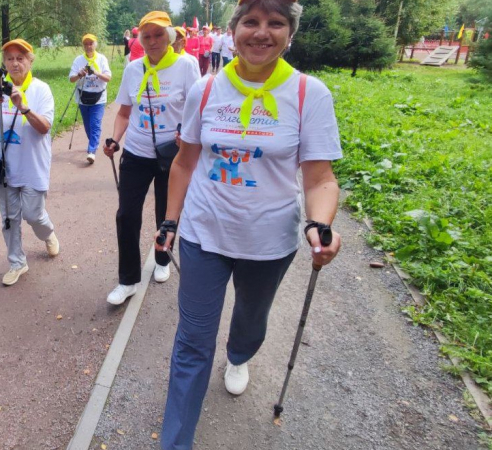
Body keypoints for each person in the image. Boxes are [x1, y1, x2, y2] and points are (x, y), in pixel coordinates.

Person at [158, 0, 343, 447]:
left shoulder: (309, 93)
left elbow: (320, 178)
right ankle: (175, 441)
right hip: (204, 233)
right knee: (192, 341)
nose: (262, 32)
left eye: (275, 23)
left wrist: (320, 225)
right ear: (234, 30)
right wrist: (170, 221)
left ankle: (239, 355)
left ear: (289, 34)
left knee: (250, 319)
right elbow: (184, 163)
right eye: (251, 21)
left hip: (269, 240)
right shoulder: (206, 89)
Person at [103, 11, 200, 305]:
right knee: (126, 215)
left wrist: (187, 135)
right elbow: (124, 113)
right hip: (136, 151)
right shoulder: (134, 69)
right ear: (140, 40)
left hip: (173, 156)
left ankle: (162, 259)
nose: (153, 40)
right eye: (147, 36)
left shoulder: (186, 65)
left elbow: (196, 110)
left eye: (159, 34)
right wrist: (115, 139)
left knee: (165, 212)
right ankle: (127, 280)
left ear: (169, 37)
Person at [0, 38, 59, 286]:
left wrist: (23, 107)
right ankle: (17, 262)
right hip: (2, 166)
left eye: (20, 58)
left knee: (34, 215)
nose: (15, 63)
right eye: (10, 59)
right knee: (9, 218)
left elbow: (44, 127)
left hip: (33, 165)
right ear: (4, 63)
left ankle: (48, 233)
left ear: (30, 61)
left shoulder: (41, 90)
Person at [69, 34, 112, 163]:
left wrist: (96, 72)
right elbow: (71, 79)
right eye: (86, 44)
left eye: (91, 43)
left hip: (99, 98)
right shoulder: (78, 60)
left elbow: (108, 78)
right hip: (83, 98)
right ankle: (94, 142)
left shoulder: (102, 59)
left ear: (95, 44)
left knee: (95, 124)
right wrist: (79, 74)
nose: (88, 46)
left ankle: (92, 151)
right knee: (88, 126)